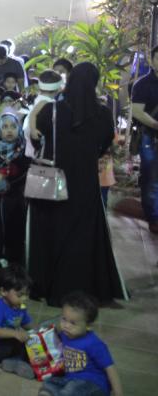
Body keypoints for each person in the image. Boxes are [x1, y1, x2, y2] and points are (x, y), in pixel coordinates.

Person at [28, 63, 127, 307]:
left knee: (54, 231)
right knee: (83, 235)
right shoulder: (102, 114)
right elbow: (104, 144)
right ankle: (83, 286)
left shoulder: (52, 110)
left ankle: (48, 285)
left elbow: (37, 134)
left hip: (55, 182)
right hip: (86, 183)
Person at [39, 291, 123, 396]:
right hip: (70, 379)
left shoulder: (94, 343)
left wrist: (118, 393)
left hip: (93, 383)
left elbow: (110, 369)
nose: (66, 325)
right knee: (49, 383)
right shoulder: (64, 335)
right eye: (64, 319)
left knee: (71, 391)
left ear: (88, 325)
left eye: (73, 323)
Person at [0, 111, 30, 267]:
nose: (9, 130)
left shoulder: (24, 149)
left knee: (14, 213)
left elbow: (25, 172)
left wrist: (6, 179)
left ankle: (13, 257)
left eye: (13, 126)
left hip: (17, 193)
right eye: (4, 127)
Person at [0, 264, 35, 379]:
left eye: (26, 294)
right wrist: (15, 334)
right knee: (19, 346)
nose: (25, 298)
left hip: (8, 342)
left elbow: (26, 323)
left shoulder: (21, 306)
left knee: (30, 342)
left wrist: (38, 332)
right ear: (3, 291)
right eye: (20, 295)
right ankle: (14, 363)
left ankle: (21, 361)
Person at [130, 45, 158, 233]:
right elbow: (137, 112)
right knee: (151, 179)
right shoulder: (143, 84)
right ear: (151, 60)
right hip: (150, 137)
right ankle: (154, 219)